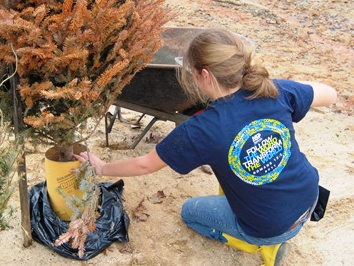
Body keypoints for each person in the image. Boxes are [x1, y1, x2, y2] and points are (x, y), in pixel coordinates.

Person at [74, 28, 337, 250]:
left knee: (190, 213)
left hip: (268, 228)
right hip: (309, 196)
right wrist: (289, 89)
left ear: (206, 76)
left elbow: (145, 165)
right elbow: (330, 94)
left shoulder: (202, 129)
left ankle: (247, 242)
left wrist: (102, 167)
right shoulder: (275, 90)